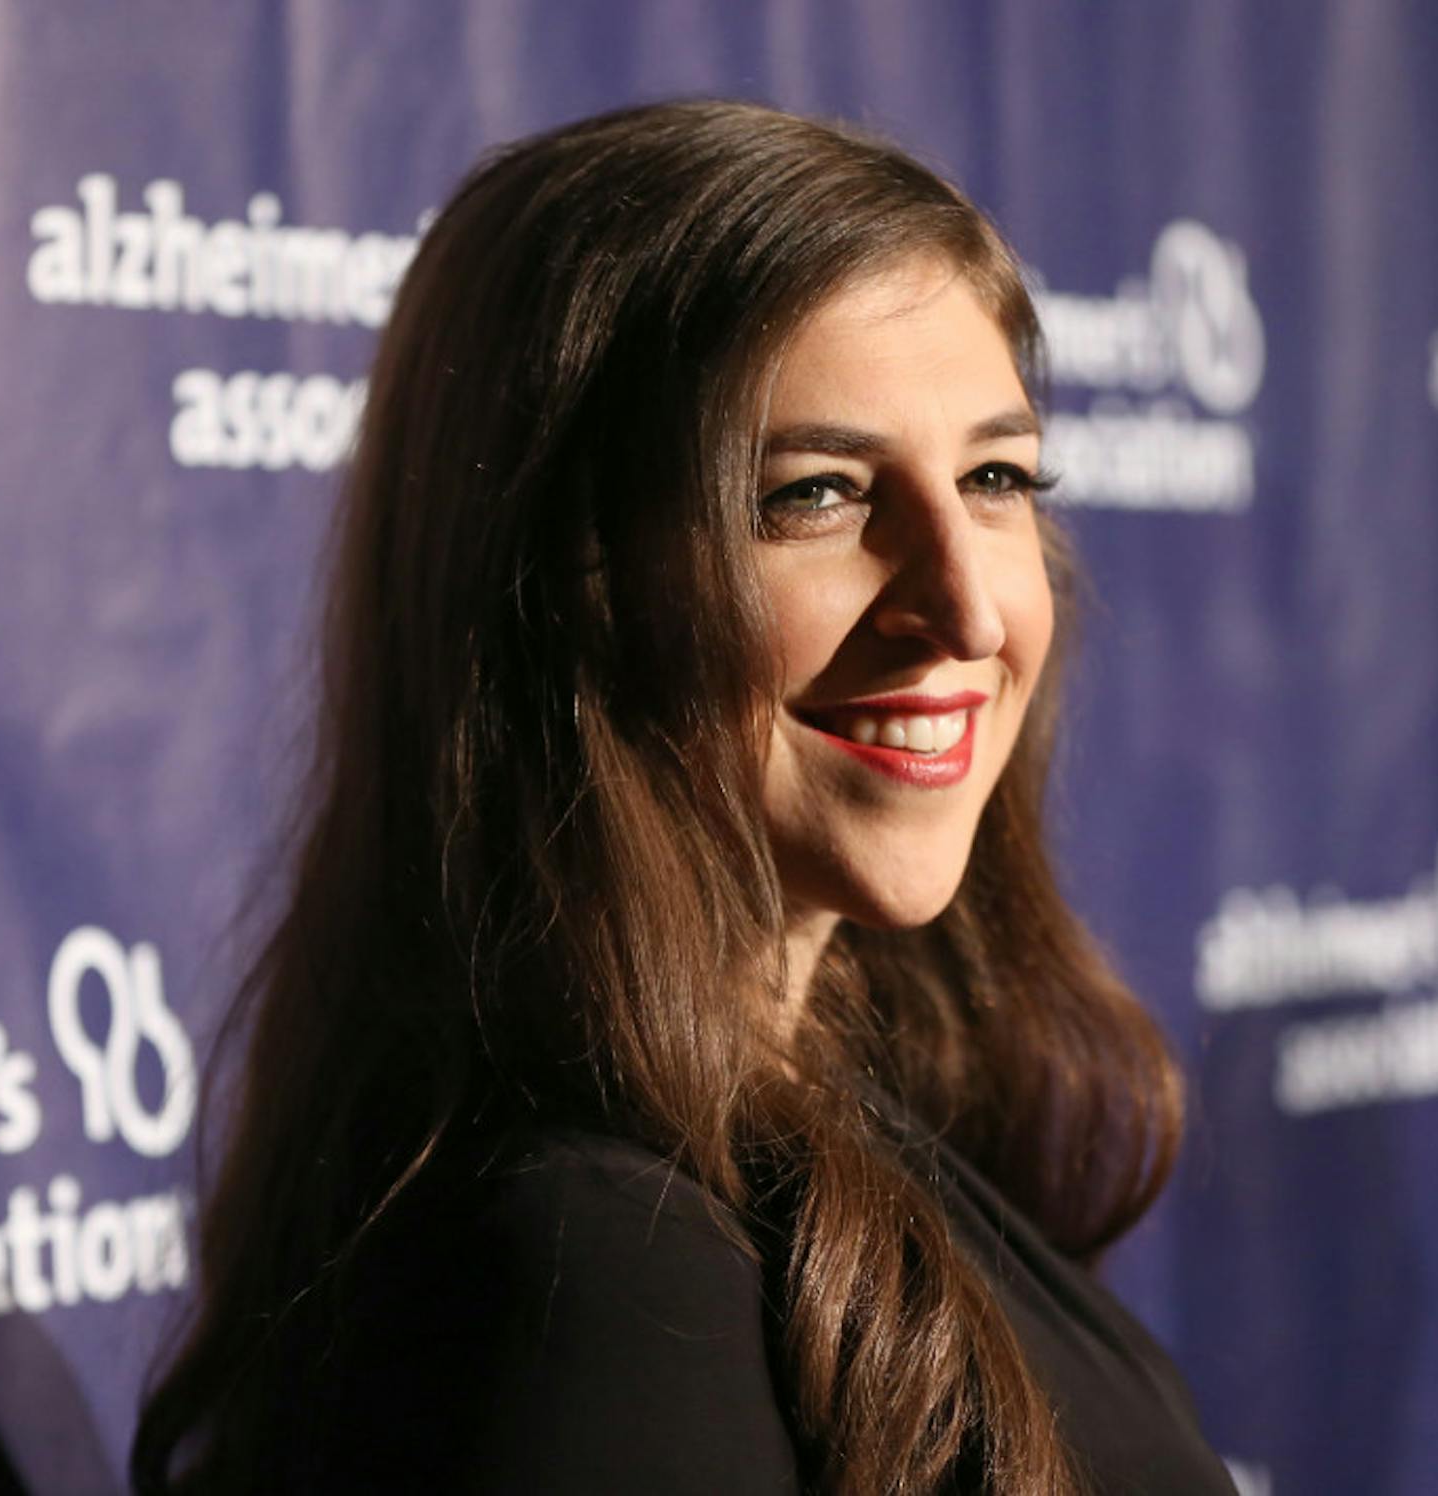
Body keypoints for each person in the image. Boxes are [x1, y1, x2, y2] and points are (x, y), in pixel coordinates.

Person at [130, 99, 1236, 1495]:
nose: (965, 604)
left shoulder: (811, 1114)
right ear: (560, 589)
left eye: (996, 476)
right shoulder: (592, 1289)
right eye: (817, 497)